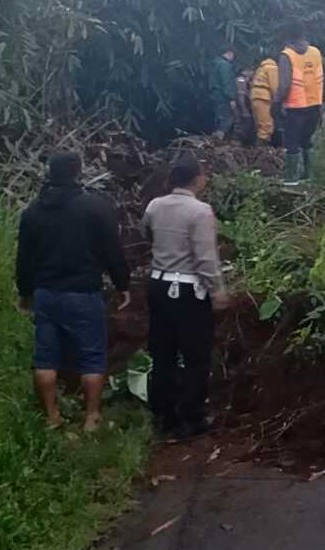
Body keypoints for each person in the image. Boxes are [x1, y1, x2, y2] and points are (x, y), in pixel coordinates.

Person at [16, 152, 131, 432]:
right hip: (84, 292)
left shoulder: (33, 212)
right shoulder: (95, 207)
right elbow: (112, 251)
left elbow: (25, 258)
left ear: (50, 173)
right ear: (77, 172)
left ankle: (52, 416)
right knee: (92, 357)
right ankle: (92, 417)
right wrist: (122, 285)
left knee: (45, 358)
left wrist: (25, 291)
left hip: (46, 293)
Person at [142, 152, 230, 440]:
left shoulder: (155, 206)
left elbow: (148, 235)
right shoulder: (200, 211)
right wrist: (217, 290)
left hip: (158, 285)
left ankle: (163, 415)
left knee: (162, 352)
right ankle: (192, 416)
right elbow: (205, 258)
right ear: (197, 179)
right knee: (195, 355)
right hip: (188, 290)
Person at [274, 22, 324, 185]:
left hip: (295, 106)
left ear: (287, 36)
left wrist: (276, 102)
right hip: (315, 104)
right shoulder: (316, 52)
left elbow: (284, 85)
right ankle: (308, 175)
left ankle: (291, 178)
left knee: (292, 141)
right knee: (307, 140)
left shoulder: (287, 55)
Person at [249, 55, 280, 146]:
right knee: (266, 125)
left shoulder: (261, 68)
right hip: (263, 97)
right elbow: (275, 86)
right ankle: (263, 149)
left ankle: (259, 147)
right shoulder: (272, 68)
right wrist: (278, 100)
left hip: (255, 96)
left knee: (260, 124)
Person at [209, 46, 237, 139]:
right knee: (226, 119)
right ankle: (219, 140)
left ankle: (214, 140)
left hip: (215, 95)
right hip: (223, 97)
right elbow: (227, 82)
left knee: (218, 118)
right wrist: (232, 98)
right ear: (229, 53)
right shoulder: (225, 65)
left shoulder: (215, 63)